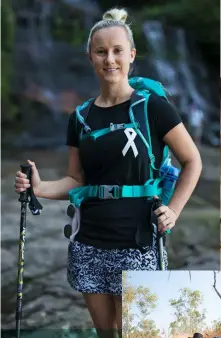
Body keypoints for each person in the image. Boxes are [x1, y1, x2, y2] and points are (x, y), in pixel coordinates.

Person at [14, 7, 202, 338]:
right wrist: (39, 187)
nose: (109, 59)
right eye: (101, 51)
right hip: (89, 241)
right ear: (90, 57)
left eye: (117, 51)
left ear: (131, 55)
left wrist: (174, 211)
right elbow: (77, 180)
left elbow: (193, 161)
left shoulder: (152, 107)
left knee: (139, 334)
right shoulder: (81, 117)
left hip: (139, 240)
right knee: (107, 334)